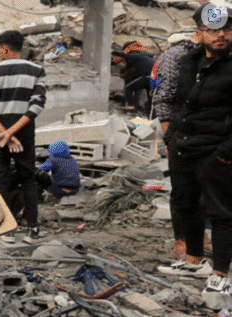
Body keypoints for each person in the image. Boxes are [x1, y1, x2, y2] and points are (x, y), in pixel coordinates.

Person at [158, 5, 232, 307]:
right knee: (186, 204)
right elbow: (177, 102)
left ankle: (220, 275)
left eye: (227, 29)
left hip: (215, 151)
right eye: (213, 29)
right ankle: (193, 260)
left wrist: (224, 155)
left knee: (221, 213)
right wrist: (171, 137)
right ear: (200, 33)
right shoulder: (189, 61)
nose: (221, 35)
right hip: (183, 147)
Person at [0, 30, 48, 244]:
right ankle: (33, 229)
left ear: (4, 49)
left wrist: (4, 133)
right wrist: (12, 133)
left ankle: (6, 231)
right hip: (23, 134)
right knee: (28, 179)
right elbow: (36, 106)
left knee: (0, 179)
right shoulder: (36, 71)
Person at [152, 31, 200, 263]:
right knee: (183, 190)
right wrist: (169, 137)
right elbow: (164, 97)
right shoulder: (176, 56)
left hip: (215, 132)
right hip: (183, 131)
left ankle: (201, 238)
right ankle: (182, 240)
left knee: (210, 191)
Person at [111, 42, 156, 115]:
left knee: (128, 88)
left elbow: (123, 56)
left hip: (144, 76)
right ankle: (149, 113)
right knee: (144, 92)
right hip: (154, 78)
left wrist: (113, 53)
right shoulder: (145, 53)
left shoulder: (133, 52)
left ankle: (130, 106)